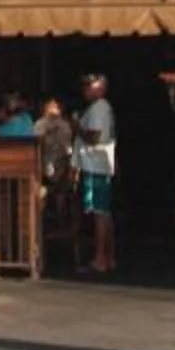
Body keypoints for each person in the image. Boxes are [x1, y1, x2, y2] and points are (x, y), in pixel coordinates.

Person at [75, 73, 118, 274]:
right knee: (104, 212)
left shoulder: (99, 108)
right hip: (100, 164)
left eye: (90, 86)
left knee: (99, 213)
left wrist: (77, 127)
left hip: (95, 164)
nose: (85, 90)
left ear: (100, 89)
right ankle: (109, 257)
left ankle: (100, 257)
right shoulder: (101, 108)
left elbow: (94, 137)